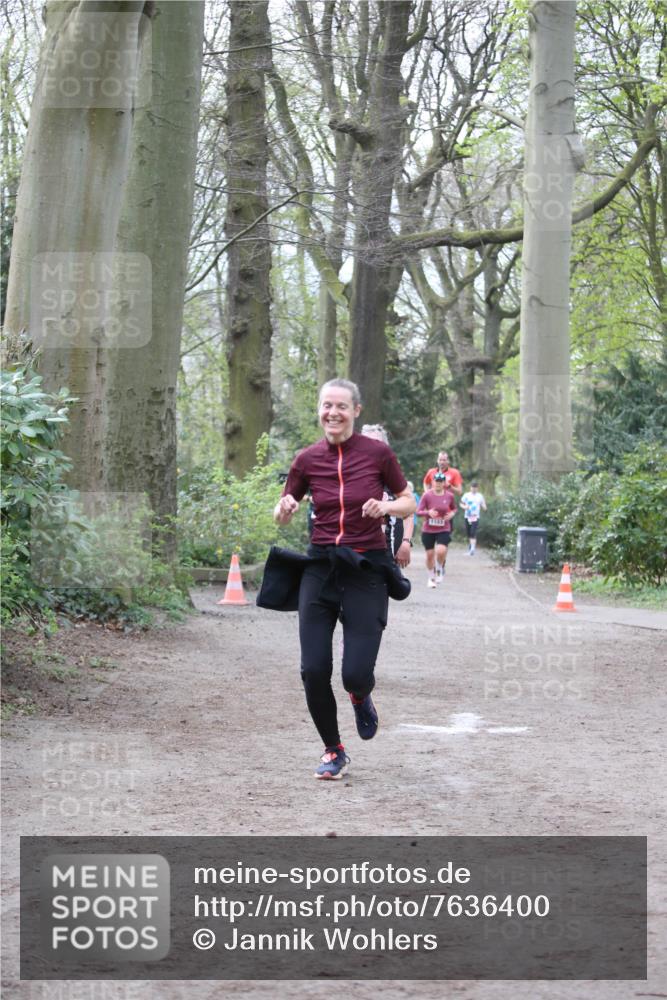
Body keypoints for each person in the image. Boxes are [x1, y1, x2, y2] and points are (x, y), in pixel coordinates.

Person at [273, 379, 416, 780]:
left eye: (340, 406)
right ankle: (333, 749)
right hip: (320, 568)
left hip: (365, 569)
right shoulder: (307, 459)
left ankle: (359, 693)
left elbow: (409, 501)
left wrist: (386, 505)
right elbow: (283, 511)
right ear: (318, 410)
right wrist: (283, 508)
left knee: (354, 671)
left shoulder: (378, 454)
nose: (332, 413)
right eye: (325, 406)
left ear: (356, 410)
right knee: (313, 668)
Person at [360, 424, 413, 568]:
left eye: (377, 443)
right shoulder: (352, 477)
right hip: (359, 556)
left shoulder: (394, 478)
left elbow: (409, 512)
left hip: (389, 556)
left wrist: (406, 543)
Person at [416, 472, 457, 586]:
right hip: (428, 529)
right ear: (433, 482)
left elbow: (454, 508)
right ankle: (431, 578)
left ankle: (439, 569)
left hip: (444, 528)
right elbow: (418, 512)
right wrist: (428, 512)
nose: (438, 484)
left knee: (441, 551)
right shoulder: (427, 495)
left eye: (440, 482)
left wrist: (452, 514)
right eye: (436, 481)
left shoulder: (449, 496)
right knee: (429, 555)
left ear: (444, 483)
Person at [460, 482, 487, 555]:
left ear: (477, 488)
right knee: (469, 533)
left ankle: (472, 549)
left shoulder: (480, 496)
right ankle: (471, 547)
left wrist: (484, 507)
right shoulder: (466, 495)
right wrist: (464, 507)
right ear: (470, 488)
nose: (474, 489)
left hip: (475, 517)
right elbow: (461, 503)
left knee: (473, 532)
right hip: (467, 516)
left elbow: (483, 504)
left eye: (475, 488)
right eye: (472, 487)